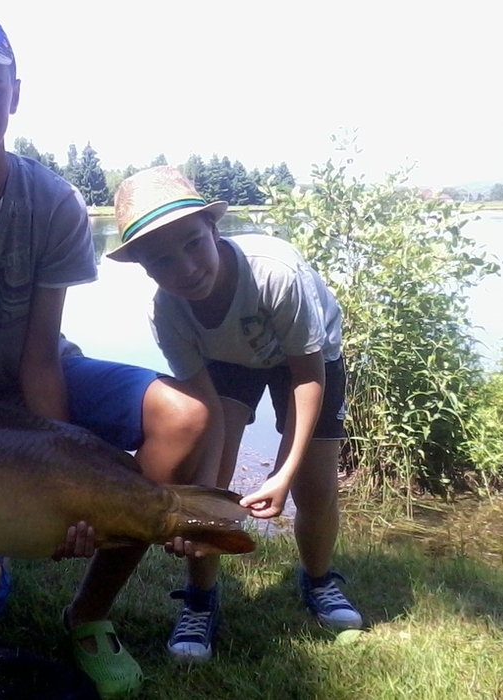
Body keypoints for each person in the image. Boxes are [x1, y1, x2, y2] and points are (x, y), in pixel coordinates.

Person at [0, 10, 221, 698]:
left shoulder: (54, 201)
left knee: (182, 416)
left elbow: (38, 356)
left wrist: (65, 479)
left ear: (15, 94)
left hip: (43, 372)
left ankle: (88, 612)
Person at [107, 165, 364, 659]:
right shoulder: (167, 312)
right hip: (227, 361)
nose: (185, 269)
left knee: (315, 486)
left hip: (309, 360)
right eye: (161, 260)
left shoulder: (275, 272)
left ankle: (318, 580)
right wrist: (198, 506)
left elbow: (308, 376)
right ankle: (200, 600)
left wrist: (282, 473)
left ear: (213, 227)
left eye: (192, 244)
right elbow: (206, 410)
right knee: (210, 484)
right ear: (142, 266)